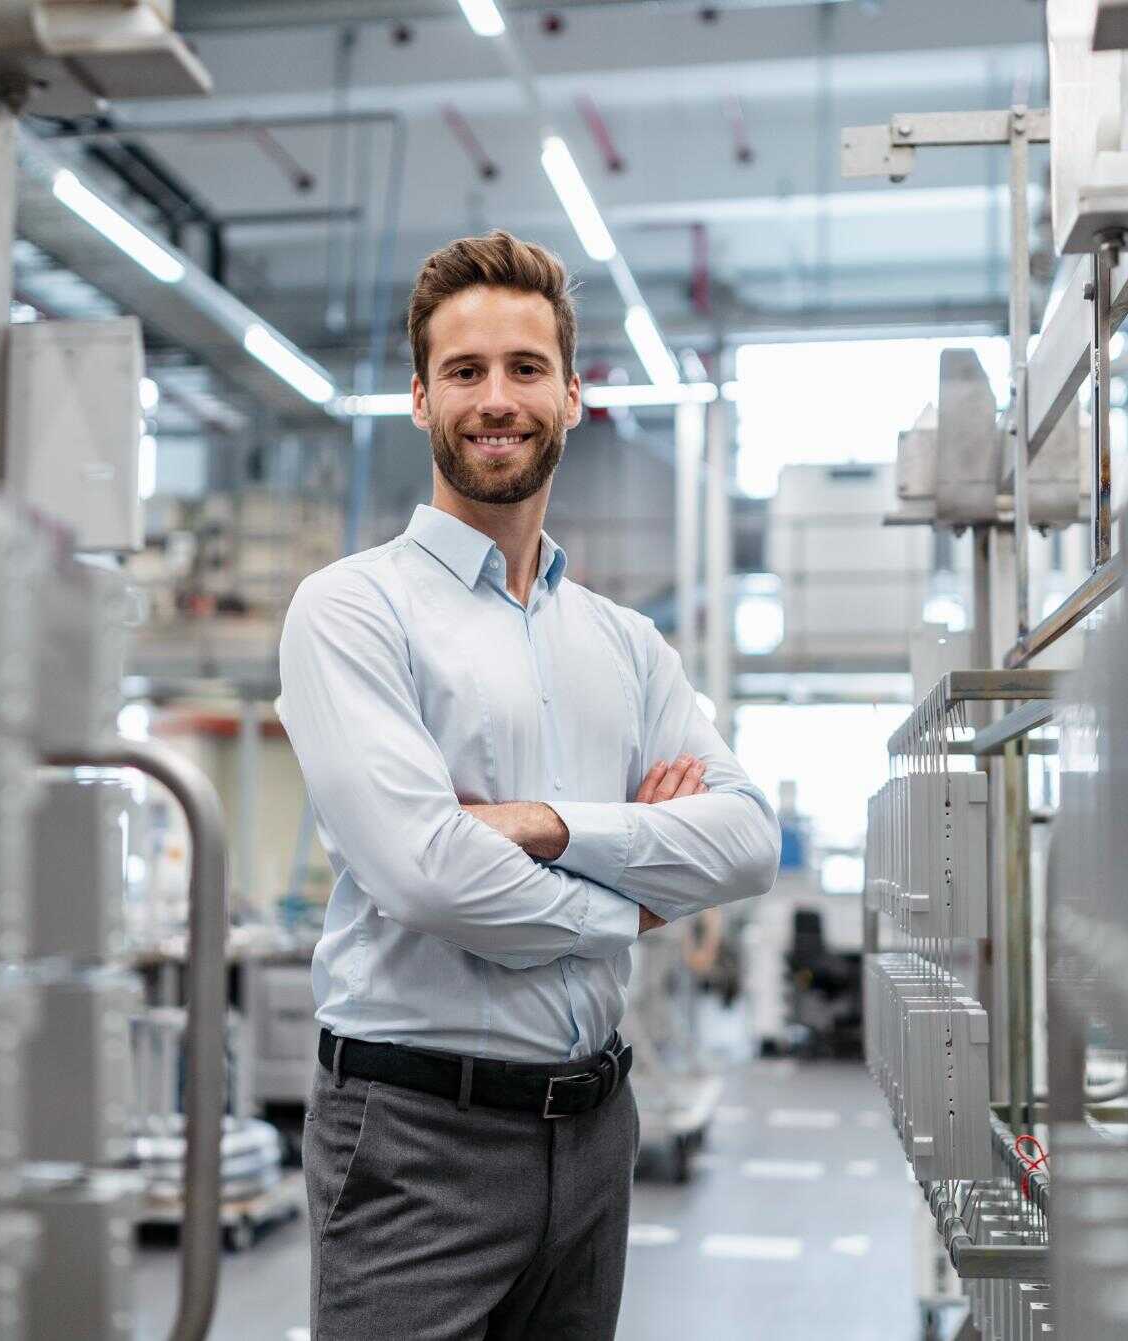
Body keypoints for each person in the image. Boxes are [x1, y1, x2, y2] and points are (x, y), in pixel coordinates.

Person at [277, 229, 781, 1340]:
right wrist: (634, 898)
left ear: (571, 395)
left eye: (522, 369)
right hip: (417, 1138)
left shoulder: (626, 643)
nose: (493, 399)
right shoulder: (353, 611)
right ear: (418, 400)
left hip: (597, 1130)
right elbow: (429, 876)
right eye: (462, 372)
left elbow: (746, 837)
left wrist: (548, 827)